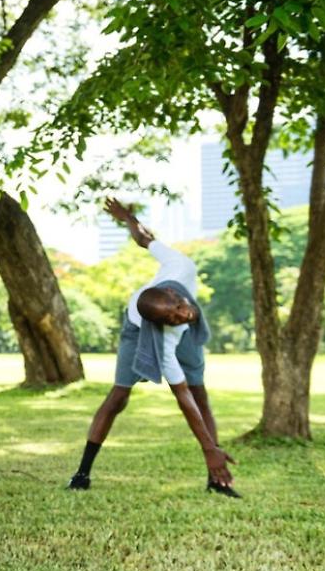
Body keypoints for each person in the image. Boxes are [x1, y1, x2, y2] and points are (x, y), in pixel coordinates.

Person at [67, 198, 238, 498]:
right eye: (172, 318)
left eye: (178, 309)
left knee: (201, 393)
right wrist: (208, 448)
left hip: (180, 332)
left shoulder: (180, 266)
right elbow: (180, 396)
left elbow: (145, 240)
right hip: (136, 331)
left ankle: (216, 479)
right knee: (119, 396)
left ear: (173, 292)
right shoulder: (164, 333)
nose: (182, 315)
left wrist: (128, 218)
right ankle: (82, 472)